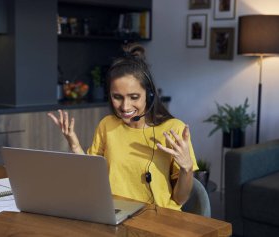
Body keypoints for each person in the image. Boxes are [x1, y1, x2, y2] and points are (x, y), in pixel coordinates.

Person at [48, 43, 198, 210]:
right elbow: (91, 180)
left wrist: (187, 168)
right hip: (113, 215)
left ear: (149, 94)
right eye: (117, 97)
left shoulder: (174, 130)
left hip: (159, 221)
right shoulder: (107, 125)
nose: (125, 106)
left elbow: (180, 199)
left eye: (134, 97)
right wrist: (74, 146)